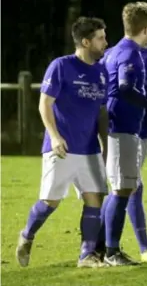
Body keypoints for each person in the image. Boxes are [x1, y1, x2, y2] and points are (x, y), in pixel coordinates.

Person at [16, 17, 109, 268]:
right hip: (63, 148)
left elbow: (101, 111)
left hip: (89, 149)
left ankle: (86, 255)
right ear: (86, 41)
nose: (105, 43)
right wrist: (55, 137)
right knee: (50, 202)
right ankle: (27, 235)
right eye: (101, 38)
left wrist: (105, 145)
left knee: (95, 199)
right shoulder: (61, 66)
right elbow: (44, 104)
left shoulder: (102, 71)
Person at [102, 2, 147, 266]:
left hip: (132, 128)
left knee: (123, 186)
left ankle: (100, 248)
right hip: (122, 128)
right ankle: (110, 250)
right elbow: (123, 88)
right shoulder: (128, 53)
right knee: (123, 189)